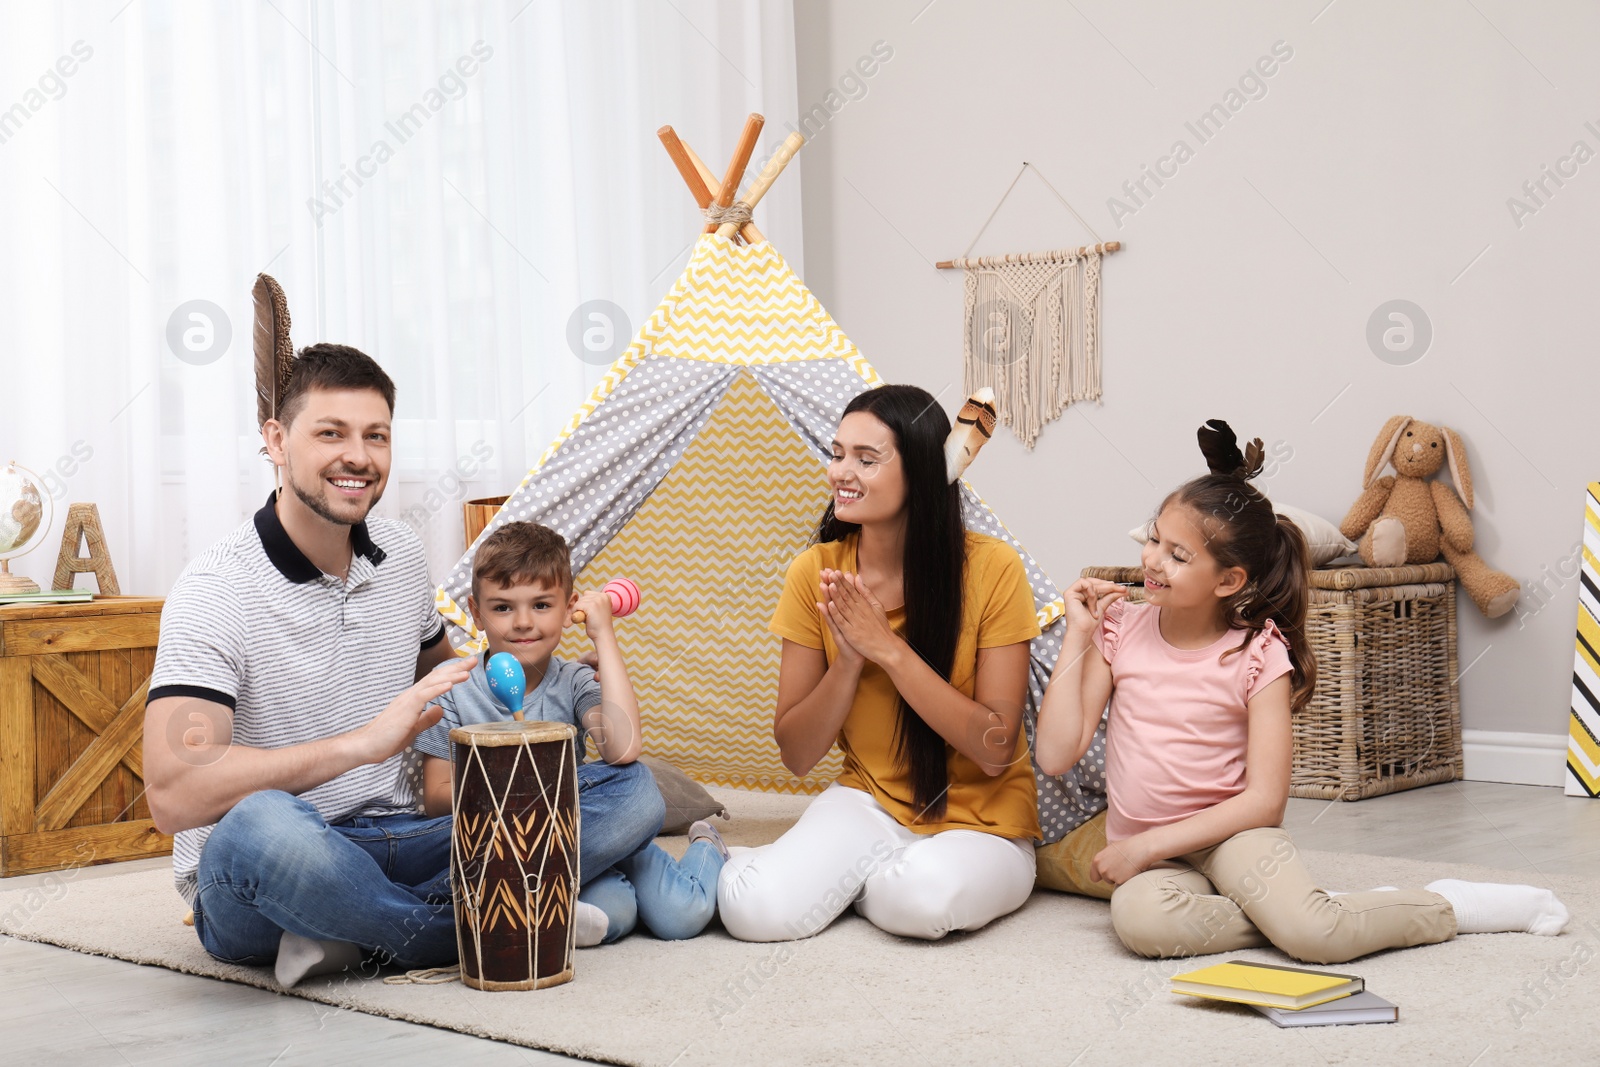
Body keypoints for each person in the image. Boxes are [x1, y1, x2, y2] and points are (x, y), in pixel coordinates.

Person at [141, 344, 654, 987]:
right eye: (331, 433)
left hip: (408, 839)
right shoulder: (214, 589)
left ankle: (361, 933)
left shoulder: (402, 556)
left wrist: (544, 669)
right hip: (280, 860)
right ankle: (480, 925)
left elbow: (453, 679)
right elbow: (173, 793)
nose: (358, 455)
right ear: (275, 439)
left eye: (375, 435)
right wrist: (363, 745)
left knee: (634, 793)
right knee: (259, 825)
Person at [1033, 420, 1569, 964]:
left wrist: (1143, 846)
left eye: (1178, 555)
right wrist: (1078, 631)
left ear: (1228, 581)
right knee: (1142, 924)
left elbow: (1265, 802)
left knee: (1316, 940)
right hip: (1157, 858)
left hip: (1232, 838)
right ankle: (1305, 911)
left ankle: (1444, 906)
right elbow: (1055, 754)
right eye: (1154, 539)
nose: (1151, 560)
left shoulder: (1259, 653)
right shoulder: (1118, 629)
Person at [717, 384, 1042, 942]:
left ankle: (864, 884)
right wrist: (846, 662)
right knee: (755, 912)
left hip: (986, 826)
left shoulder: (993, 569)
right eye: (838, 453)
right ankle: (721, 851)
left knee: (916, 900)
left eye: (867, 460)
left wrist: (889, 651)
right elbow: (797, 754)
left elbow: (994, 749)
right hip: (867, 803)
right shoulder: (815, 572)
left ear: (920, 472)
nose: (842, 472)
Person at [415, 521, 725, 944]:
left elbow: (623, 748)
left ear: (569, 607)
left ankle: (708, 845)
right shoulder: (450, 685)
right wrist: (511, 796)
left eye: (542, 605)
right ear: (476, 611)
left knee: (682, 916)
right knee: (613, 911)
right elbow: (435, 799)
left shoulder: (574, 680)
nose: (523, 623)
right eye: (503, 607)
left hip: (585, 829)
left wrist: (604, 637)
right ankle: (559, 904)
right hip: (503, 841)